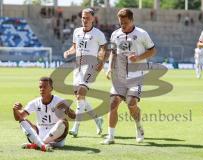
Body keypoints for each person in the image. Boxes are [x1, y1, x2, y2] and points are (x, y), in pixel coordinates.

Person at [102, 8, 156, 144]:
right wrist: (109, 68)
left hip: (136, 75)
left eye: (125, 22)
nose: (123, 25)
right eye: (121, 23)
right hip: (118, 75)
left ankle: (139, 127)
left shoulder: (142, 34)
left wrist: (138, 58)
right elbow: (113, 52)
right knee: (113, 103)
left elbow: (152, 50)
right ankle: (111, 136)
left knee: (131, 103)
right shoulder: (115, 34)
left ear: (132, 20)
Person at [64, 8, 107, 137]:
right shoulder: (77, 32)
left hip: (90, 67)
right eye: (83, 17)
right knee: (79, 97)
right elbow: (74, 47)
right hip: (77, 68)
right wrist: (68, 52)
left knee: (81, 93)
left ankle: (76, 128)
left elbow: (104, 50)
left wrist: (100, 65)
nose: (85, 20)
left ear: (93, 19)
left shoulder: (98, 34)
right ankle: (98, 120)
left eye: (87, 18)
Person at [13, 77, 76, 152]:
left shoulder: (59, 101)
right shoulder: (35, 102)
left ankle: (38, 145)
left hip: (56, 137)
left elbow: (74, 116)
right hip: (38, 134)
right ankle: (42, 145)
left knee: (63, 121)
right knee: (23, 121)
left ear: (51, 88)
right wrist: (15, 110)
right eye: (40, 87)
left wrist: (67, 110)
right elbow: (19, 117)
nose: (42, 89)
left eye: (45, 87)